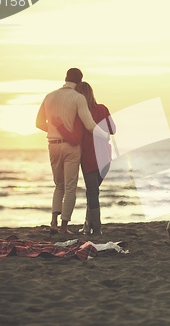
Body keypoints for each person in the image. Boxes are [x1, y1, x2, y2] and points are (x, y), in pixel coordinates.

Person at [35, 68, 109, 235]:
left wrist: (54, 130)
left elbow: (38, 123)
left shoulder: (49, 96)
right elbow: (89, 125)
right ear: (80, 81)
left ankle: (53, 222)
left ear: (65, 78)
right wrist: (104, 135)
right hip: (71, 146)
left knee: (58, 185)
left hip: (52, 144)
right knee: (70, 187)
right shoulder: (78, 98)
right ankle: (63, 227)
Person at [51, 82, 116, 235]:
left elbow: (74, 138)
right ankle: (88, 226)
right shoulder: (103, 108)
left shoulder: (80, 114)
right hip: (105, 157)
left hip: (89, 158)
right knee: (93, 192)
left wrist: (59, 126)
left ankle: (96, 228)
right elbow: (113, 129)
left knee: (92, 193)